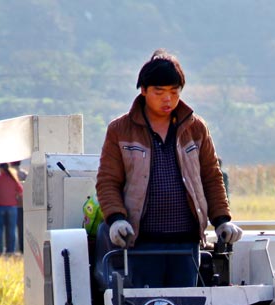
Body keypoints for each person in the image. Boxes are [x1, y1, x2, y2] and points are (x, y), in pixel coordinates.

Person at [95, 49, 240, 287]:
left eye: (174, 92)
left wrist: (222, 219)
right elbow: (108, 181)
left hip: (186, 244)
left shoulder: (196, 128)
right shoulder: (120, 130)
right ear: (143, 90)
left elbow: (211, 178)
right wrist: (117, 219)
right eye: (159, 92)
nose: (168, 99)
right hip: (141, 242)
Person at [0, 162, 23, 255]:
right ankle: (11, 250)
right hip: (12, 207)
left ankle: (0, 250)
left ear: (1, 169)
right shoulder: (13, 178)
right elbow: (20, 190)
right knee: (12, 229)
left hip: (0, 207)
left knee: (0, 229)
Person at [12, 161, 27, 252]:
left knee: (11, 228)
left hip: (12, 204)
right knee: (22, 228)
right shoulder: (24, 174)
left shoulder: (10, 175)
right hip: (22, 205)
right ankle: (22, 248)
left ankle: (13, 248)